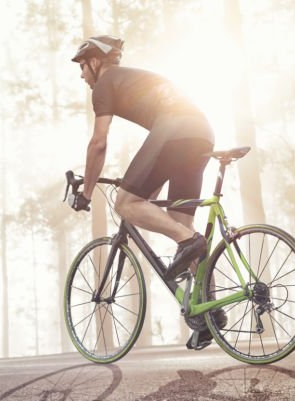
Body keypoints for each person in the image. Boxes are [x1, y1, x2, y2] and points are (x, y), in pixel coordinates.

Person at [68, 35, 213, 281]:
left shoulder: (105, 83)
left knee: (125, 204)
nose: (82, 75)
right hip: (202, 134)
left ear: (94, 61)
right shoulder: (132, 78)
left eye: (82, 66)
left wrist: (86, 194)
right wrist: (143, 189)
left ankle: (189, 241)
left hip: (174, 130)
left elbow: (98, 143)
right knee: (181, 222)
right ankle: (209, 308)